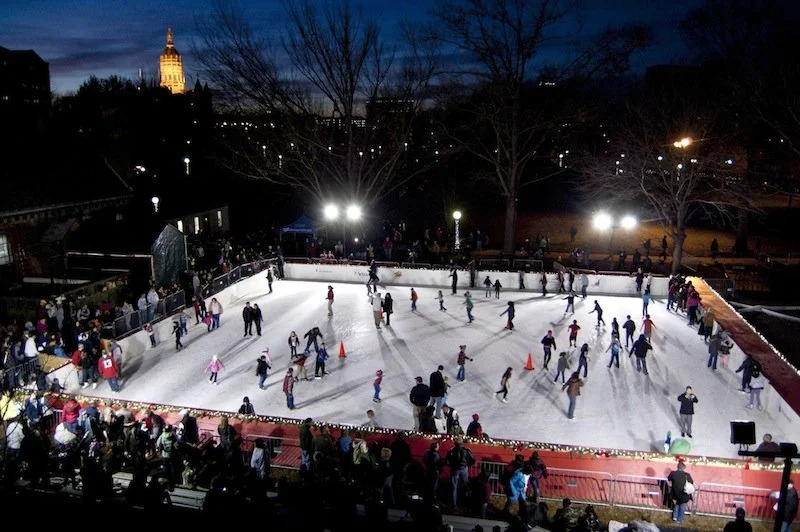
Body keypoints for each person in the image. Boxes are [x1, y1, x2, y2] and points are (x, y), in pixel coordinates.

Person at [446, 435, 474, 506]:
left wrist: (451, 465)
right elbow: (472, 459)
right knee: (465, 486)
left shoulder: (451, 451)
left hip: (455, 469)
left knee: (454, 487)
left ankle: (454, 504)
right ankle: (464, 503)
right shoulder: (466, 450)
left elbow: (446, 461)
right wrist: (468, 464)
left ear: (455, 443)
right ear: (462, 443)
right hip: (464, 469)